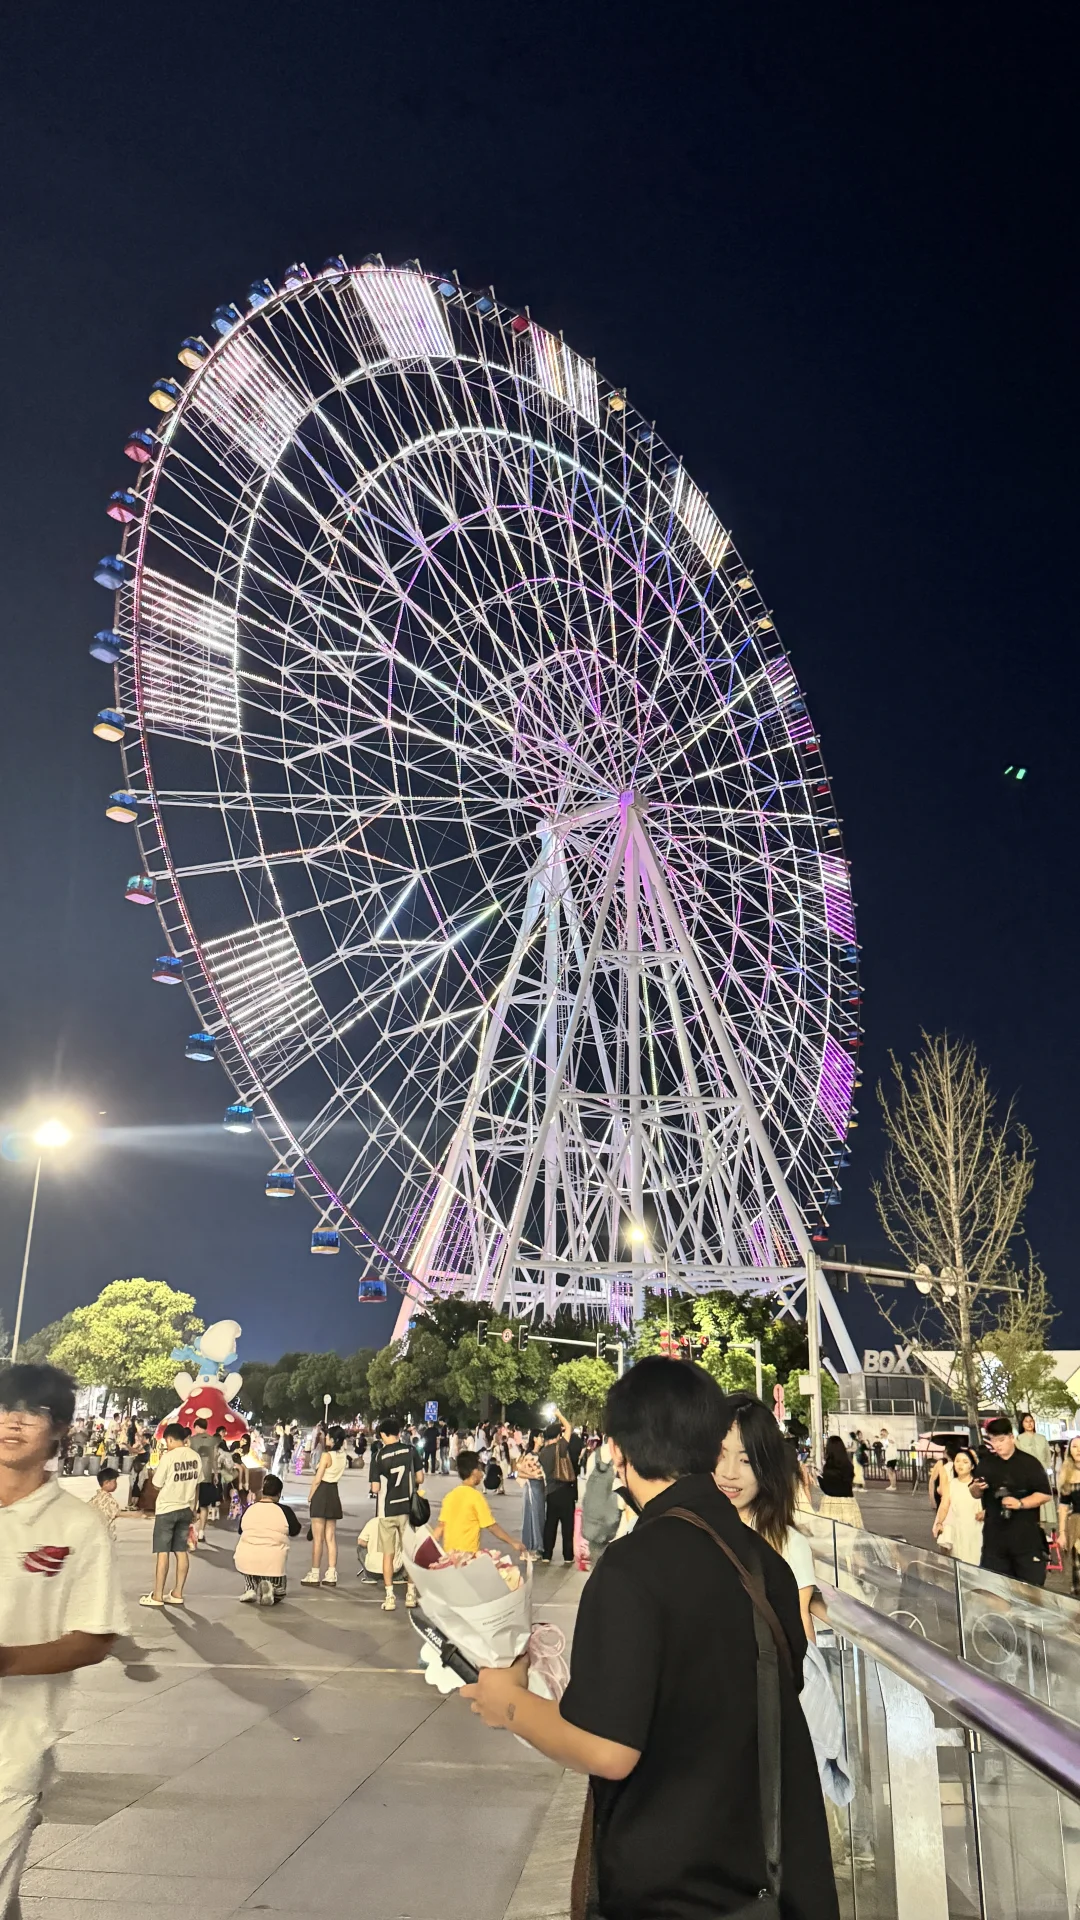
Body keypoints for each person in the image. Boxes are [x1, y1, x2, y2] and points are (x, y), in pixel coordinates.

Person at [462, 1357, 838, 1920]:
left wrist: (508, 1703)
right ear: (712, 1445)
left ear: (617, 1449)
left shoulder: (632, 1568)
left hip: (673, 1886)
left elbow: (608, 1750)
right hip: (771, 1880)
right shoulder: (764, 1564)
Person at [0, 1364, 128, 1919]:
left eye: (32, 1411)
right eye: (5, 1407)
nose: (13, 1421)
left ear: (58, 1431)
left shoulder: (78, 1526)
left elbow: (94, 1636)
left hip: (13, 1749)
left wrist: (4, 1661)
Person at [717, 1392, 818, 1644]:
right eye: (719, 1455)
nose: (729, 1473)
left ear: (766, 1468)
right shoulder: (679, 1532)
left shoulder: (788, 1545)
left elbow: (800, 1629)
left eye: (746, 1460)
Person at [972, 1416, 1051, 1586]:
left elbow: (1045, 1494)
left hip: (1025, 1539)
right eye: (993, 1440)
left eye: (1001, 1440)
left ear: (1011, 1437)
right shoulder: (986, 1464)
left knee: (1030, 1592)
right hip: (994, 1540)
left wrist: (1020, 1503)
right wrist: (978, 1487)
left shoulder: (1030, 1464)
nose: (997, 1445)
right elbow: (974, 1492)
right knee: (993, 1591)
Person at [140, 1423, 201, 1608]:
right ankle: (177, 1593)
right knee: (181, 1551)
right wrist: (194, 1509)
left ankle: (158, 1595)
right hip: (185, 1509)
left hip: (167, 1510)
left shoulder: (168, 1457)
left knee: (163, 1553)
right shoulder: (195, 1457)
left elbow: (157, 1484)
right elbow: (197, 1485)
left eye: (167, 1441)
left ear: (170, 1439)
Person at [369, 1415, 420, 1611]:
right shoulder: (410, 1451)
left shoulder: (379, 1456)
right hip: (408, 1509)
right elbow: (420, 1478)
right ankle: (410, 1594)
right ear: (399, 1433)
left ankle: (390, 1597)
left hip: (387, 1510)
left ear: (382, 1434)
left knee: (388, 1555)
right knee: (410, 1553)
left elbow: (374, 1488)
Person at [432, 1451, 525, 1555]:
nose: (482, 1473)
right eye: (480, 1469)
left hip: (449, 1556)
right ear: (474, 1472)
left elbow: (440, 1527)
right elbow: (491, 1526)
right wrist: (512, 1542)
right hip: (467, 1557)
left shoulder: (450, 1496)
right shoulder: (476, 1497)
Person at [235, 1472, 301, 1604]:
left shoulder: (250, 1509)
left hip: (247, 1558)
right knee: (277, 1577)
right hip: (273, 1559)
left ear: (262, 1491)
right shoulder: (285, 1511)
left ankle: (250, 1588)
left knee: (250, 1561)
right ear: (279, 1494)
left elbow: (240, 1530)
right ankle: (275, 1589)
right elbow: (295, 1531)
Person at [302, 1425, 347, 1587]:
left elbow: (317, 1479)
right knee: (330, 1537)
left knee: (318, 1538)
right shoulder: (343, 1456)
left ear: (333, 1439)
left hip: (321, 1493)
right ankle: (331, 1573)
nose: (326, 1439)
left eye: (328, 1437)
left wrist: (310, 1496)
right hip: (334, 1493)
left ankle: (314, 1574)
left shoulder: (327, 1456)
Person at [539, 1411, 581, 1564]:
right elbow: (568, 1427)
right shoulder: (560, 1448)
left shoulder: (543, 1452)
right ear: (558, 1436)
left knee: (550, 1523)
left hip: (550, 1492)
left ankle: (547, 1554)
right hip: (564, 1490)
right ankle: (568, 1556)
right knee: (567, 1525)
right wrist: (559, 1414)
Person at [932, 1446, 983, 1564]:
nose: (960, 1465)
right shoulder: (951, 1485)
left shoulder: (978, 1484)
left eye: (965, 1462)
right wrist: (939, 1522)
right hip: (957, 1530)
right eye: (957, 1461)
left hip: (976, 1529)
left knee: (975, 1560)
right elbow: (944, 1505)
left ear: (972, 1466)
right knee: (959, 1561)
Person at [1015, 1412, 1056, 1535]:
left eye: (1031, 1421)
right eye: (1026, 1421)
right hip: (1027, 1475)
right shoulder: (1018, 1440)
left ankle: (1045, 1530)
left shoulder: (1042, 1438)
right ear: (1022, 1424)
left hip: (1042, 1473)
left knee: (1045, 1498)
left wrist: (1046, 1469)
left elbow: (1048, 1458)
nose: (1029, 1423)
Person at [816, 1435, 863, 1529]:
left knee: (831, 1533)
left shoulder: (828, 1467)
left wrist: (818, 1478)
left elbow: (826, 1489)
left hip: (831, 1503)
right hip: (848, 1503)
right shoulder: (848, 1466)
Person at [189, 1416, 219, 1543]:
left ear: (196, 1427)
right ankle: (201, 1532)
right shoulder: (213, 1440)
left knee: (192, 1503)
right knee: (204, 1505)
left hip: (193, 1475)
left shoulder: (192, 1440)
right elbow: (214, 1458)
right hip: (206, 1475)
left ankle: (189, 1532)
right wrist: (216, 1474)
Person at [516, 1431, 547, 1556]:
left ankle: (538, 1545)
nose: (542, 1439)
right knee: (532, 1515)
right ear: (534, 1438)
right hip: (532, 1488)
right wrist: (533, 1475)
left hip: (540, 1488)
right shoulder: (529, 1455)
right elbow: (520, 1473)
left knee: (539, 1516)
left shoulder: (541, 1454)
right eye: (540, 1436)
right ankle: (532, 1546)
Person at [1057, 1437, 1080, 1595]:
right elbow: (1063, 1507)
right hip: (1077, 1526)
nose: (1078, 1449)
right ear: (1069, 1451)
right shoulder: (1067, 1475)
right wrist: (1062, 1533)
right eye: (1074, 1446)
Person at [88, 1466, 123, 1541]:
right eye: (114, 1481)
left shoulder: (95, 1498)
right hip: (104, 1535)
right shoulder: (109, 1500)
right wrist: (135, 1514)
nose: (116, 1484)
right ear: (106, 1483)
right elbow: (117, 1513)